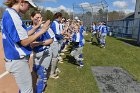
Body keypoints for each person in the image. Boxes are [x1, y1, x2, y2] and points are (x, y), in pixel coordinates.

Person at [1, 0, 50, 93]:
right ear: (22, 2)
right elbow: (24, 42)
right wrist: (42, 30)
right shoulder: (13, 16)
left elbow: (23, 35)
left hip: (15, 60)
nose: (29, 9)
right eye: (29, 5)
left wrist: (36, 27)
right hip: (17, 61)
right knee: (27, 91)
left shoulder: (10, 13)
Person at [27, 11, 55, 93]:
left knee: (41, 73)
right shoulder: (28, 29)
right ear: (32, 18)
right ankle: (41, 85)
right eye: (37, 17)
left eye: (40, 17)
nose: (39, 19)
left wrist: (38, 43)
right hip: (36, 54)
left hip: (45, 53)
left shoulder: (44, 27)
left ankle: (40, 90)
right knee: (34, 72)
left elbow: (51, 40)